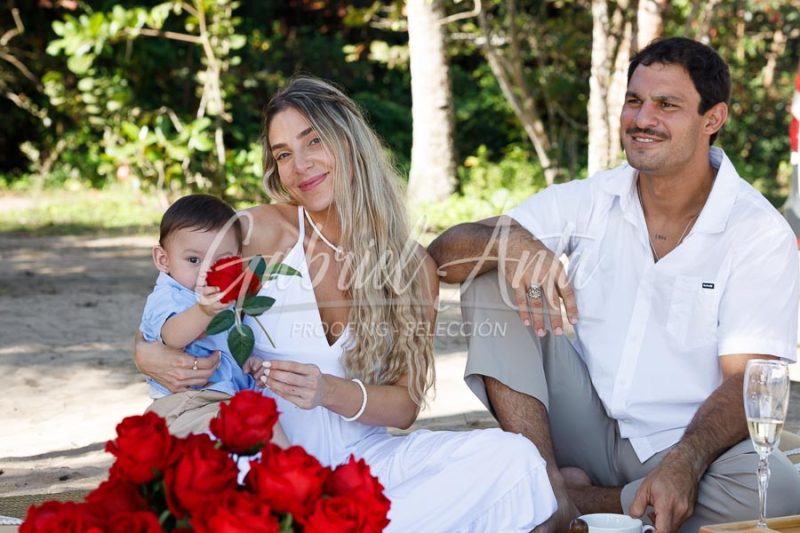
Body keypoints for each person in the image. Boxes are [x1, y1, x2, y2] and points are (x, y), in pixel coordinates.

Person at [135, 76, 557, 531]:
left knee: (510, 458)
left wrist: (328, 391)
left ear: (350, 140)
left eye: (313, 140)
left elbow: (404, 406)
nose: (299, 165)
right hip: (263, 460)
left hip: (363, 462)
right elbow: (175, 298)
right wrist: (145, 352)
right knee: (219, 479)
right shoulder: (258, 233)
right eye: (282, 154)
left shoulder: (413, 269)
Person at [429, 37, 800, 532]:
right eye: (634, 100)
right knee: (488, 272)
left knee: (775, 495)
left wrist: (685, 462)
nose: (642, 118)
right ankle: (546, 481)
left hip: (682, 441)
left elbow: (746, 381)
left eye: (666, 105)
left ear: (713, 119)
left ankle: (569, 499)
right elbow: (442, 259)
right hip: (572, 422)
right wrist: (510, 244)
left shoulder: (756, 231)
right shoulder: (591, 198)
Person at [140, 193, 288, 446]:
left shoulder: (218, 298)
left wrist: (246, 362)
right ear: (163, 259)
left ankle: (290, 474)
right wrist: (203, 312)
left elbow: (221, 346)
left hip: (221, 399)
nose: (207, 270)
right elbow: (172, 337)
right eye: (194, 260)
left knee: (265, 425)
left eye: (221, 260)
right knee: (246, 432)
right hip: (186, 404)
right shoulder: (169, 296)